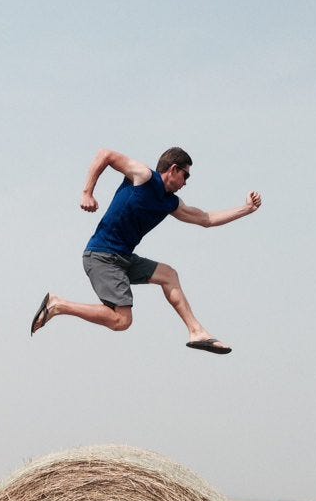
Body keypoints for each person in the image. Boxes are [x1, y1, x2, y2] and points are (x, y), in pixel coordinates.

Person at [29, 146, 262, 354]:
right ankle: (58, 305)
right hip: (101, 256)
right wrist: (87, 192)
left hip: (123, 258)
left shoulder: (171, 202)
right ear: (173, 169)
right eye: (186, 175)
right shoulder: (143, 176)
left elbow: (206, 219)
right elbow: (106, 155)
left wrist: (247, 209)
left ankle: (196, 332)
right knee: (122, 321)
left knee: (168, 275)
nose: (186, 182)